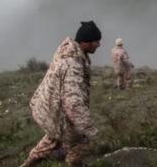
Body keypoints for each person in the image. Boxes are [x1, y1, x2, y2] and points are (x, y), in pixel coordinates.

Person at [21, 21, 101, 167]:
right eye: (96, 41)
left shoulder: (68, 52)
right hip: (57, 111)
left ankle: (29, 163)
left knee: (53, 138)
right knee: (81, 141)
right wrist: (90, 129)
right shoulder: (72, 64)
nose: (98, 45)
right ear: (85, 42)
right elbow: (73, 102)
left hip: (50, 108)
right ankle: (74, 163)